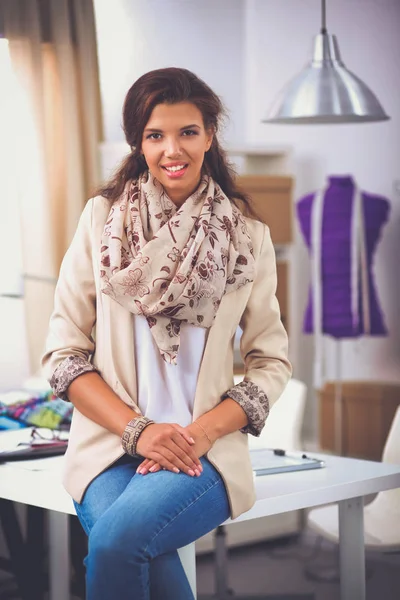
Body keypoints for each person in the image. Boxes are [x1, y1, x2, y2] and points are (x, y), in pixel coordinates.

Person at [42, 67, 292, 600]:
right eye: (155, 135)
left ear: (209, 136)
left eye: (187, 132)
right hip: (110, 447)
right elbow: (64, 356)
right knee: (127, 551)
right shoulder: (101, 221)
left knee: (115, 546)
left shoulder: (247, 238)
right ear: (138, 141)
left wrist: (200, 432)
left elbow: (271, 361)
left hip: (200, 453)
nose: (171, 150)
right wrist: (139, 431)